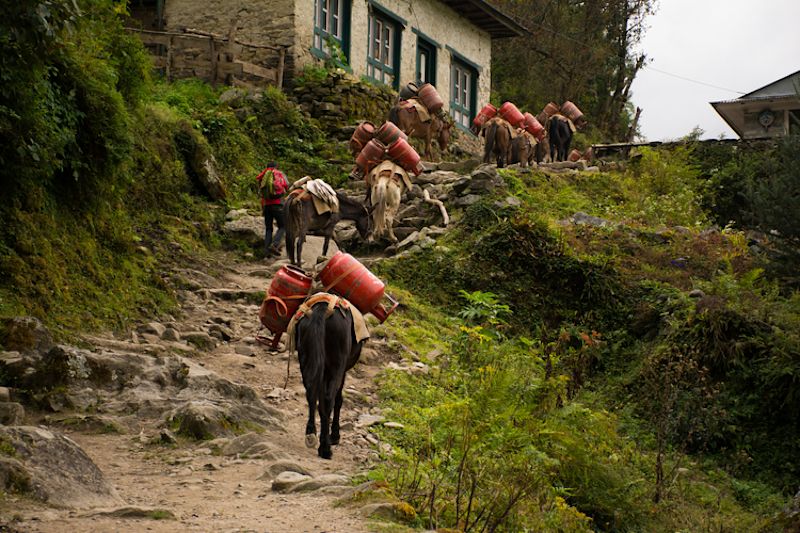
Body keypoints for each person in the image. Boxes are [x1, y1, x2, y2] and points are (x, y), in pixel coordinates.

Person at [256, 161, 288, 257]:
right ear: (276, 166)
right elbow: (286, 185)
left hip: (266, 205)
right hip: (277, 204)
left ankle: (266, 252)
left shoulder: (263, 176)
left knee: (268, 228)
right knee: (283, 226)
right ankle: (275, 245)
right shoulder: (279, 174)